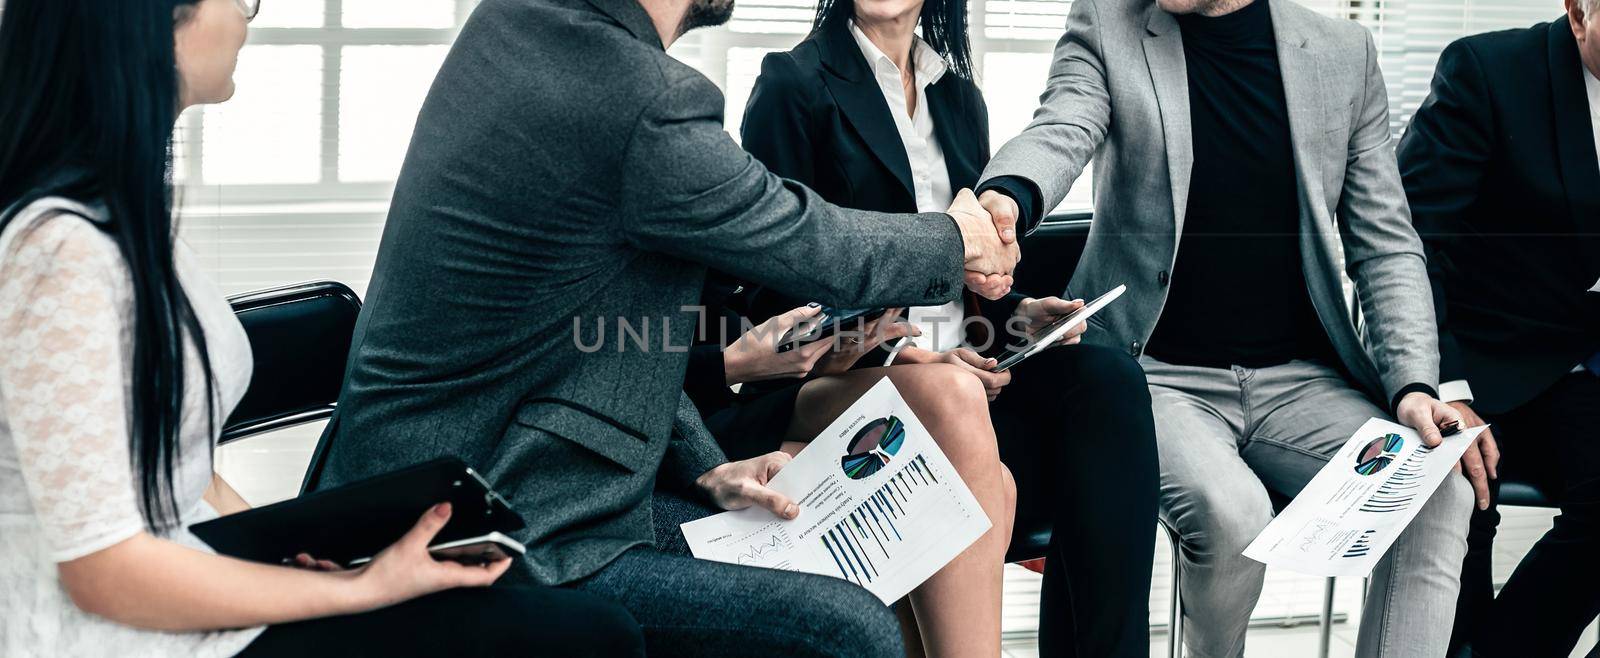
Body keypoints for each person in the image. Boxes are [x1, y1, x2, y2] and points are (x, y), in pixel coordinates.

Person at [303, 0, 1022, 655]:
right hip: (488, 518)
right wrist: (956, 240)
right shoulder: (638, 95)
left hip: (458, 478)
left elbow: (602, 322)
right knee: (849, 629)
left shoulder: (516, 24)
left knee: (919, 526)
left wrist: (707, 466)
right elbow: (814, 245)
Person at [0, 1, 645, 657]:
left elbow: (176, 470)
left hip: (186, 581)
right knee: (592, 639)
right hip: (112, 637)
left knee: (566, 622)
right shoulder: (61, 252)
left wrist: (292, 562)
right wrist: (363, 589)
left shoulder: (123, 221)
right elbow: (102, 574)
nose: (251, 12)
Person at [973, 0, 1480, 654]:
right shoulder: (1110, 22)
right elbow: (1061, 126)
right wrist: (1007, 196)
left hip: (1302, 386)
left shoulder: (1344, 54)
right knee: (1232, 513)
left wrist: (1414, 385)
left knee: (1438, 489)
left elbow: (1385, 245)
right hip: (1154, 376)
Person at [731, 1, 1160, 654]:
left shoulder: (959, 98)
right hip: (848, 377)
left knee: (1109, 378)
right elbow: (781, 299)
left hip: (967, 374)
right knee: (970, 429)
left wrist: (1017, 313)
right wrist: (913, 357)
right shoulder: (792, 85)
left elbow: (967, 274)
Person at [1397, 2, 1600, 654]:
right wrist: (1442, 385)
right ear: (1577, 12)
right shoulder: (1487, 72)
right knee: (1461, 500)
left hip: (1587, 366)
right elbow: (1407, 247)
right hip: (1483, 359)